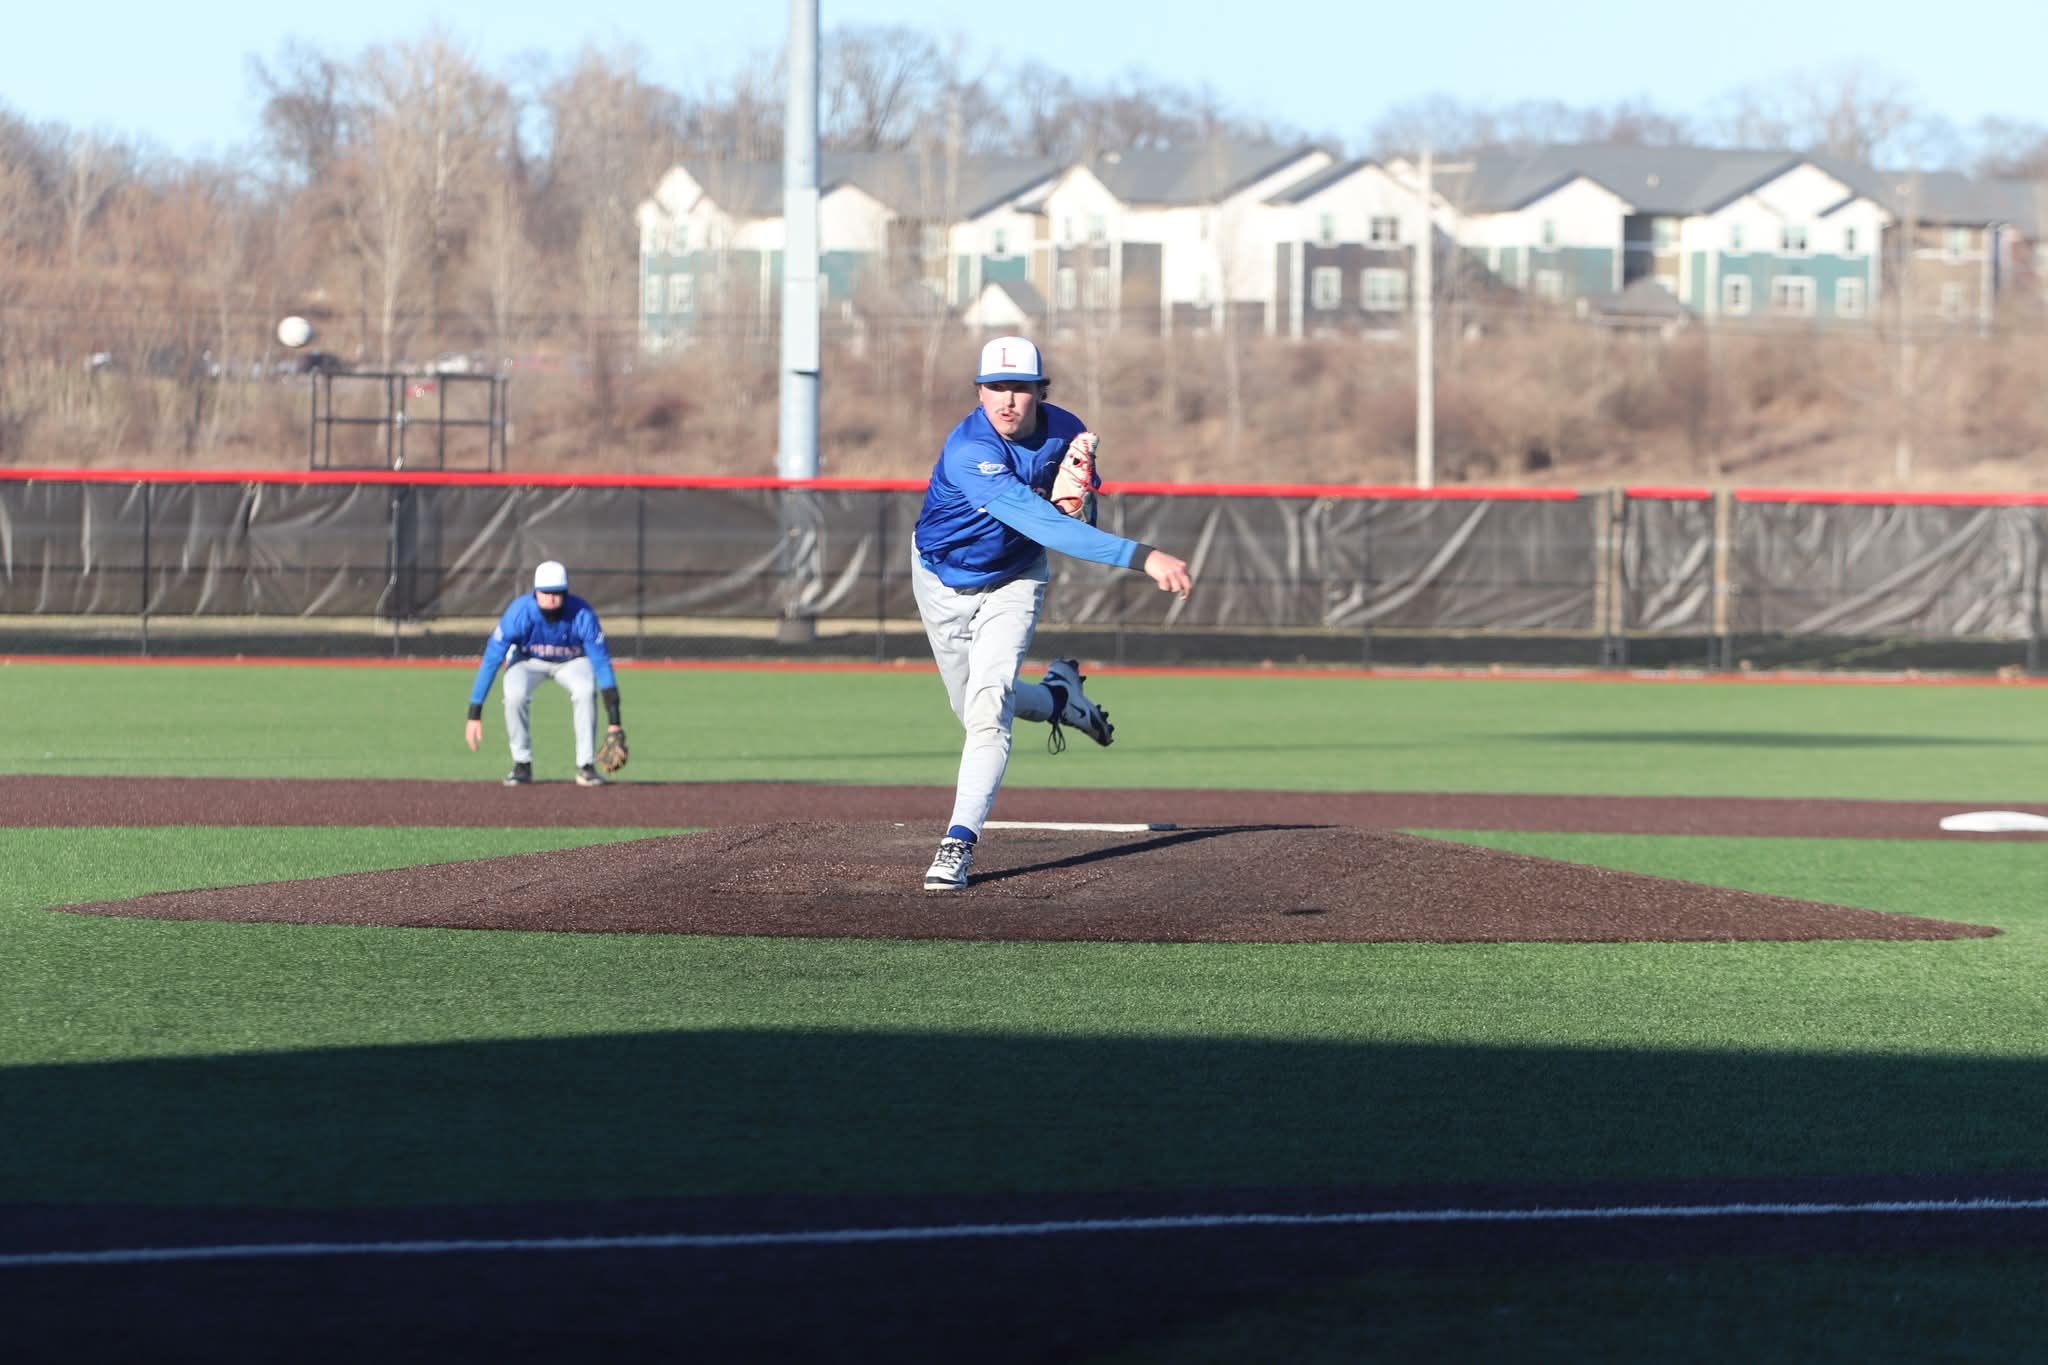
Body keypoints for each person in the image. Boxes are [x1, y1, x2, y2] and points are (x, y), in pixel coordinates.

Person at [911, 335, 1194, 892]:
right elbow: (1046, 523)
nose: (1008, 400)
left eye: (1021, 387)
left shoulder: (1066, 429)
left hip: (1015, 578)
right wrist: (1143, 555)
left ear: (1041, 391)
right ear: (980, 391)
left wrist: (1082, 495)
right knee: (973, 710)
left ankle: (957, 845)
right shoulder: (970, 450)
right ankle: (1062, 698)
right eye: (996, 387)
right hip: (941, 579)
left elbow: (1072, 504)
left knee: (989, 709)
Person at [463, 560, 625, 787]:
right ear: (535, 593)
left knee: (586, 690)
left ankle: (586, 766)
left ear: (566, 593)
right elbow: (491, 660)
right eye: (545, 592)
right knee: (514, 695)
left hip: (571, 661)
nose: (551, 598)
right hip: (528, 661)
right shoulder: (519, 613)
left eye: (557, 593)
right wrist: (474, 712)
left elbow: (602, 664)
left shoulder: (582, 614)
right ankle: (522, 764)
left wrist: (615, 722)